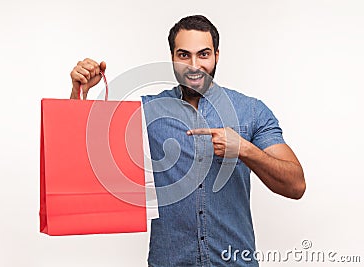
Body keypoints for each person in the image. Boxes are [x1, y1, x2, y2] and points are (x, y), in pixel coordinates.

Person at [69, 15, 305, 267]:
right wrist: (79, 93)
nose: (194, 65)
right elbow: (80, 152)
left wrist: (245, 150)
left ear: (216, 55)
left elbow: (295, 185)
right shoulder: (147, 111)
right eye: (184, 55)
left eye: (203, 54)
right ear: (172, 57)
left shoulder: (252, 111)